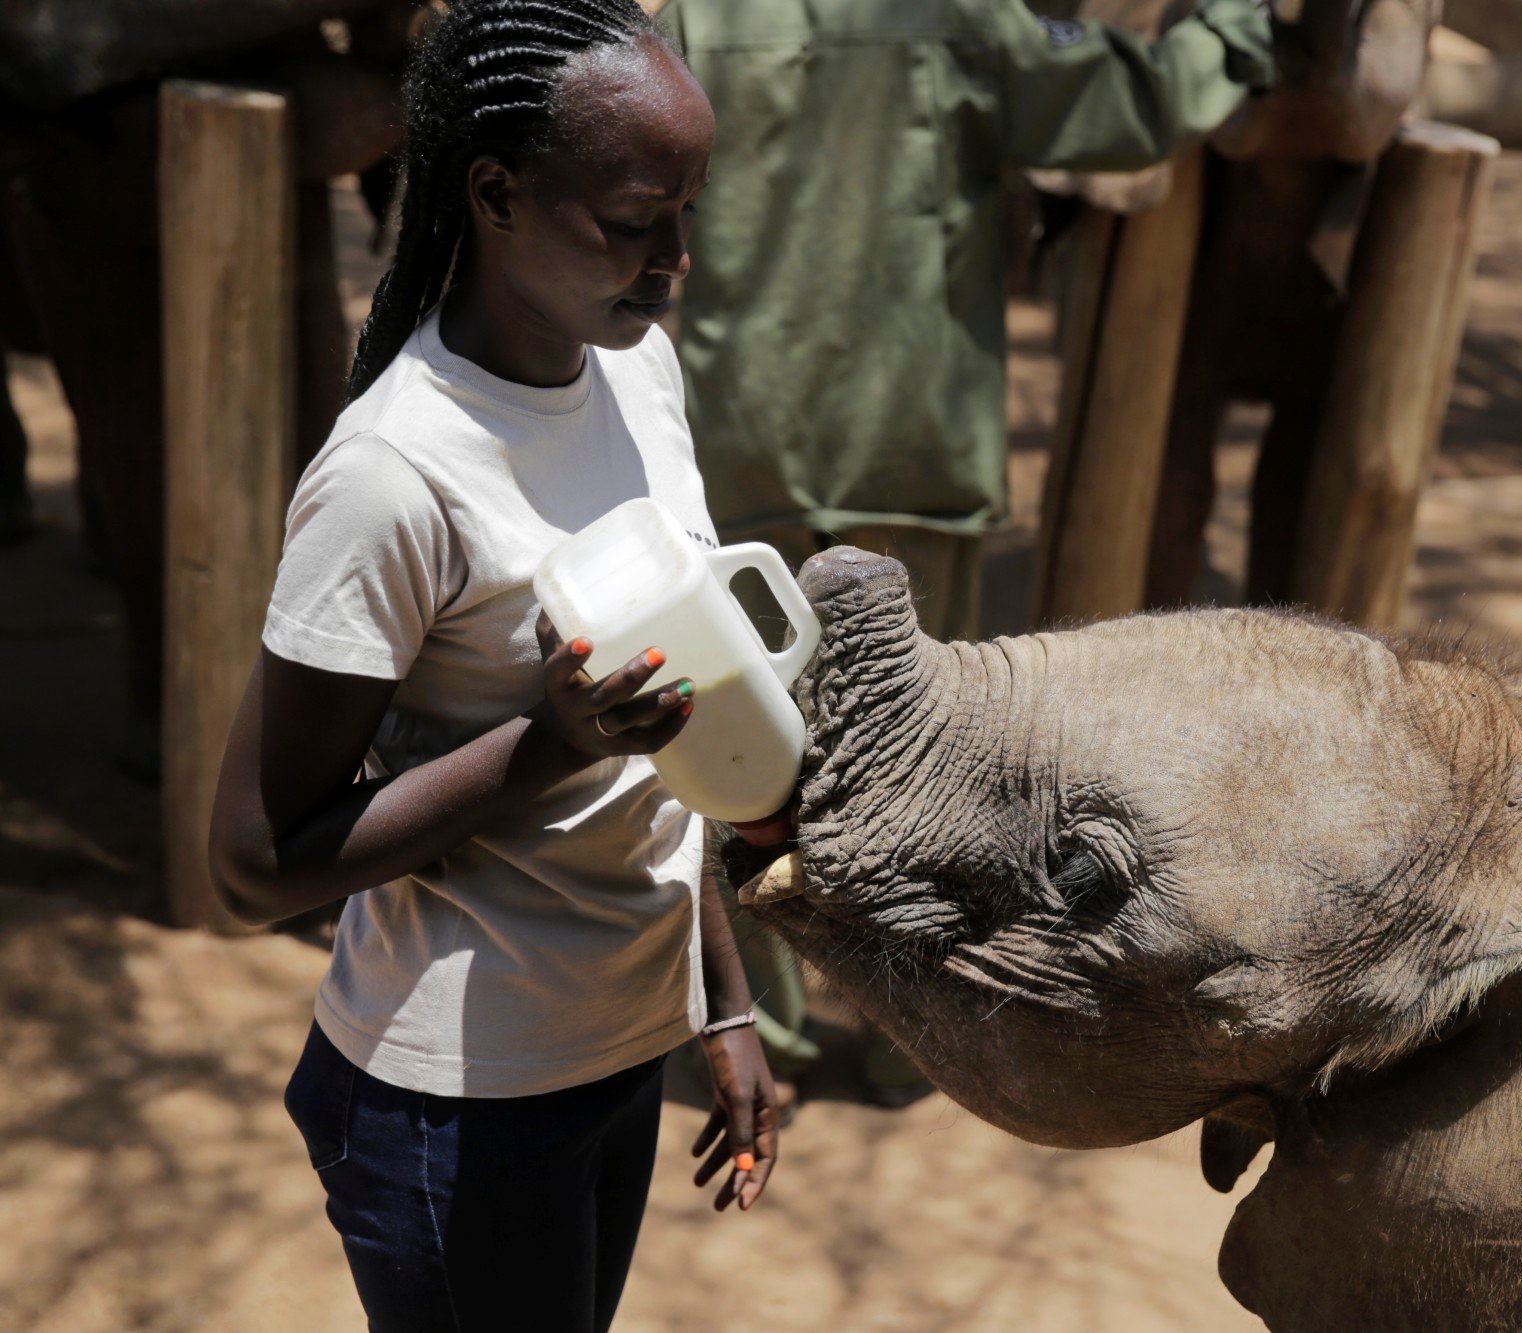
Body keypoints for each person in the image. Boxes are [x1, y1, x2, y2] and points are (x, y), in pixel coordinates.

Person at [207, 3, 779, 1328]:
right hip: (457, 1103)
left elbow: (664, 731)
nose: (675, 257)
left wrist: (724, 1003)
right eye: (636, 220)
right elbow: (249, 862)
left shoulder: (637, 374)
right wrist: (552, 740)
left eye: (687, 210)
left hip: (618, 1047)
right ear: (498, 194)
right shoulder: (393, 478)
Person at [655, 0, 1278, 1101]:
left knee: (740, 758)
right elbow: (1122, 107)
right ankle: (908, 1048)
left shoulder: (701, 17)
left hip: (743, 436)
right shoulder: (963, 14)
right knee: (918, 768)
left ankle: (754, 1037)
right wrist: (1229, 32)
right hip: (913, 441)